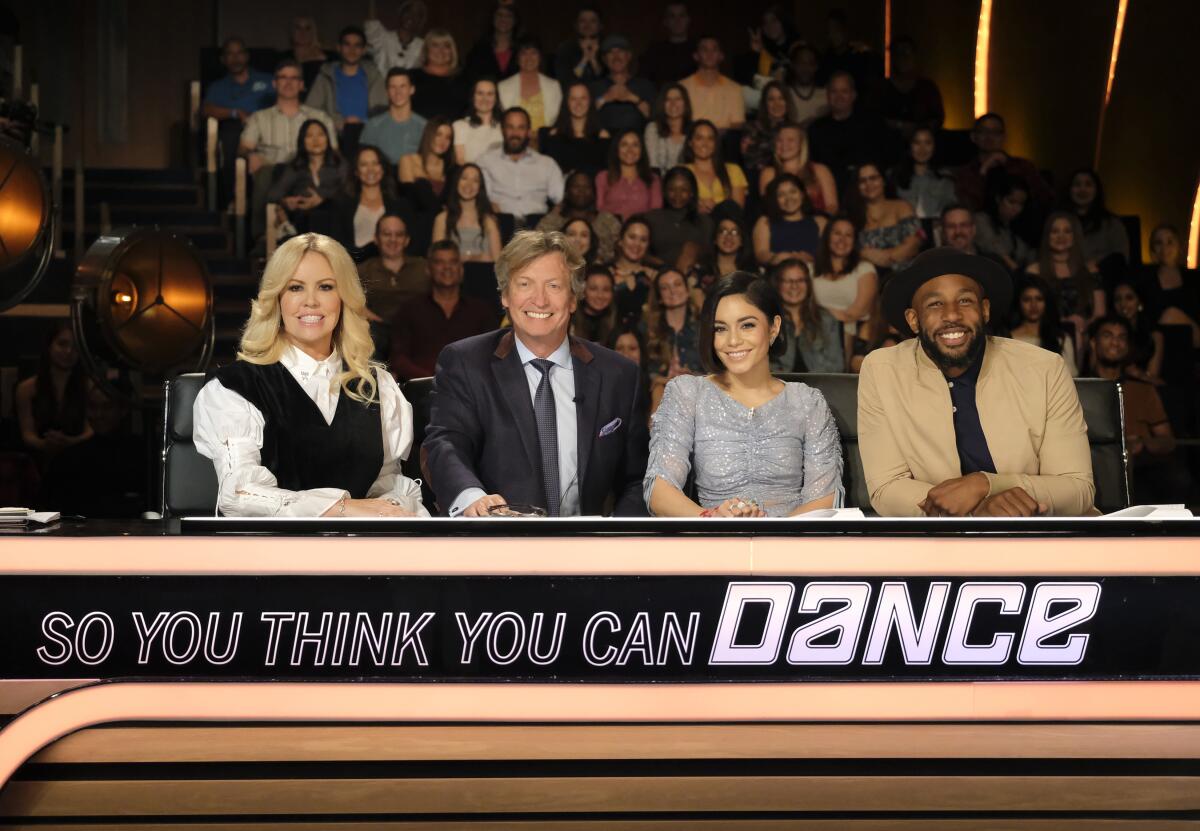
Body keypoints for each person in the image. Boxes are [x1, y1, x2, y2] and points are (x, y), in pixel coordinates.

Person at [194, 233, 428, 517]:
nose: (311, 301)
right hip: (274, 552)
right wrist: (343, 508)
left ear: (344, 297)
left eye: (326, 287)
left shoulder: (378, 386)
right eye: (295, 288)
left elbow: (386, 484)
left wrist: (394, 508)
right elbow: (240, 495)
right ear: (276, 297)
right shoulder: (234, 388)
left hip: (362, 551)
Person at [424, 230, 650, 516]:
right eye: (525, 284)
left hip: (588, 549)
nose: (539, 300)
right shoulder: (465, 363)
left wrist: (614, 541)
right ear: (505, 295)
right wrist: (472, 499)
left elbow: (637, 478)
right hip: (497, 545)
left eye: (554, 286)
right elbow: (446, 444)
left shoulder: (619, 374)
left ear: (573, 299)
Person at [858, 246, 1096, 517]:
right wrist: (976, 510)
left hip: (1037, 538)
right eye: (935, 304)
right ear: (913, 319)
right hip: (938, 545)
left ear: (984, 310)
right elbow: (887, 488)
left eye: (965, 301)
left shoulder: (1044, 368)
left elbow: (1077, 489)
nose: (952, 315)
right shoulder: (882, 371)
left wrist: (985, 484)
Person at [644, 271, 843, 516]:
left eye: (747, 325)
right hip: (715, 542)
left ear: (773, 328)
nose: (733, 340)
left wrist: (775, 533)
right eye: (720, 329)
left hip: (791, 543)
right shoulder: (687, 393)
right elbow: (659, 489)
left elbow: (825, 497)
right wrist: (711, 520)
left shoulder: (807, 401)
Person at [1088, 315, 1191, 504]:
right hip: (1093, 466)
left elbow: (1167, 440)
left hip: (1142, 468)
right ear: (1093, 343)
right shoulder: (1080, 387)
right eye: (1108, 335)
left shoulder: (1143, 389)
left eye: (1121, 337)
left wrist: (1143, 442)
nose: (1115, 342)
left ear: (1127, 346)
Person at [239, 59, 337, 236]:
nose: (289, 82)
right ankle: (262, 239)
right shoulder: (259, 118)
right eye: (283, 78)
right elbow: (243, 148)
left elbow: (334, 153)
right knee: (267, 174)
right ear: (275, 84)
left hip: (310, 174)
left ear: (301, 84)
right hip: (273, 175)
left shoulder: (319, 117)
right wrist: (250, 154)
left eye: (294, 78)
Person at [388, 240, 497, 380]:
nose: (447, 267)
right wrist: (429, 379)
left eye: (453, 262)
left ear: (461, 269)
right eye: (439, 262)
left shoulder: (481, 311)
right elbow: (398, 358)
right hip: (422, 390)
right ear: (428, 269)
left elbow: (493, 354)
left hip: (471, 389)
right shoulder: (409, 310)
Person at [40, 381, 144, 519]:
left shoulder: (141, 453)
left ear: (123, 410)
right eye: (93, 407)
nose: (98, 414)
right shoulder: (69, 458)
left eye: (107, 407)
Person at [203, 37, 274, 203]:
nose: (236, 58)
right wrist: (235, 113)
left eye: (239, 53)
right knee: (231, 135)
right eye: (230, 54)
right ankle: (233, 200)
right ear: (223, 59)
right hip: (235, 133)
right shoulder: (218, 87)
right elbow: (206, 110)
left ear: (247, 56)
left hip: (268, 129)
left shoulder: (267, 80)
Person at [806, 70, 895, 197]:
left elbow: (884, 160)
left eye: (844, 91)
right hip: (829, 193)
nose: (839, 96)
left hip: (867, 192)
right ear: (827, 95)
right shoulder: (816, 129)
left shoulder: (872, 124)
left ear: (854, 95)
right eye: (834, 92)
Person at [1026, 211, 1104, 351]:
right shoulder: (1034, 271)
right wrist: (1065, 323)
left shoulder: (1090, 270)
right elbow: (1028, 310)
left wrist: (1083, 324)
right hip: (1046, 335)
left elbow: (1099, 314)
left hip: (1084, 334)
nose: (1061, 236)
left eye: (1067, 231)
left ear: (1075, 236)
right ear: (1047, 236)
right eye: (1055, 231)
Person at [16, 323, 92, 464]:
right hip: (37, 461)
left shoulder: (89, 387)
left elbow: (90, 430)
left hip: (80, 458)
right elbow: (27, 433)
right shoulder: (26, 389)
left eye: (75, 347)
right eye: (62, 344)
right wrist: (45, 444)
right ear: (49, 346)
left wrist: (70, 442)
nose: (68, 351)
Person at [477, 107, 565, 227]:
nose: (515, 133)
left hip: (538, 226)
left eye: (521, 127)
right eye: (510, 127)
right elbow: (479, 198)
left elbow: (561, 199)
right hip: (499, 225)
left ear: (529, 131)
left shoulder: (547, 164)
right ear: (502, 130)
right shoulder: (486, 161)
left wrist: (550, 221)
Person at [953, 112, 1053, 216]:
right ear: (973, 137)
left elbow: (1046, 199)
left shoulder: (1023, 167)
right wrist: (983, 171)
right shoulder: (964, 172)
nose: (989, 137)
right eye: (983, 131)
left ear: (1003, 137)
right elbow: (967, 207)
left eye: (996, 132)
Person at [358, 213, 429, 352]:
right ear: (376, 239)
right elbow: (351, 301)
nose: (393, 239)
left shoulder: (425, 267)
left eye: (399, 234)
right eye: (386, 234)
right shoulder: (363, 270)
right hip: (377, 333)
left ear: (407, 240)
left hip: (420, 331)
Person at [330, 144, 416, 258]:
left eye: (375, 163)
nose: (370, 169)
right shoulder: (343, 205)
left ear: (383, 168)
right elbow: (337, 245)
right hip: (356, 265)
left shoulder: (400, 205)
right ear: (356, 171)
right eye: (364, 164)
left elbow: (410, 242)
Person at [305, 26, 386, 146]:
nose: (352, 50)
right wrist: (337, 123)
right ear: (339, 48)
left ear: (364, 50)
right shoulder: (325, 75)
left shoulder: (374, 75)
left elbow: (383, 111)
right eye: (347, 44)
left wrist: (363, 123)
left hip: (369, 137)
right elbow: (310, 109)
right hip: (334, 138)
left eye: (357, 45)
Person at [266, 119, 348, 237]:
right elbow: (272, 195)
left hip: (334, 218)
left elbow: (349, 192)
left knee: (324, 213)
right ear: (302, 141)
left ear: (327, 139)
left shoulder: (339, 163)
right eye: (309, 136)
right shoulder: (296, 166)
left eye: (320, 134)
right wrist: (285, 201)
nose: (316, 140)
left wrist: (322, 199)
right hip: (304, 222)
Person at [812, 216, 878, 361]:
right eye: (837, 233)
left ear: (854, 241)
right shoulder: (810, 269)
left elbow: (855, 313)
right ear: (827, 236)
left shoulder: (864, 269)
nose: (842, 239)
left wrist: (821, 312)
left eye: (848, 235)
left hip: (852, 333)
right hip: (814, 331)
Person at [643, 268, 705, 403]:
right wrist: (661, 381)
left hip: (698, 396)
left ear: (688, 290)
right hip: (657, 397)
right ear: (659, 297)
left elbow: (716, 373)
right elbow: (639, 372)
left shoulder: (704, 328)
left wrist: (693, 377)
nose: (672, 292)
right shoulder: (647, 329)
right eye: (665, 288)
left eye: (677, 284)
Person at [770, 258, 844, 373]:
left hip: (819, 388)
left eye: (800, 280)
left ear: (808, 284)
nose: (794, 286)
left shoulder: (826, 320)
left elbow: (837, 366)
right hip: (777, 387)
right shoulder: (767, 321)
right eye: (788, 281)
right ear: (778, 284)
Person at [846, 162, 921, 271]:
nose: (868, 184)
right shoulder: (851, 216)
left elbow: (914, 244)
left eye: (873, 178)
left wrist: (887, 257)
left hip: (904, 273)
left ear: (883, 180)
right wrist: (863, 255)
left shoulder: (902, 207)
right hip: (867, 276)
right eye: (863, 181)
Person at [536, 169, 621, 261]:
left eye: (587, 187)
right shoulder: (549, 223)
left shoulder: (608, 222)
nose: (581, 191)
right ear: (567, 192)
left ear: (594, 192)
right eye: (576, 186)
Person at [1006, 274, 1079, 377]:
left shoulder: (1061, 339)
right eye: (1027, 299)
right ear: (1018, 303)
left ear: (1047, 302)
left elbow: (1071, 378)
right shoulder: (1008, 339)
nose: (1033, 305)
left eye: (1039, 299)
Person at [644, 165, 713, 273]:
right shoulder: (652, 218)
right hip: (657, 273)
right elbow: (642, 254)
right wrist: (666, 268)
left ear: (692, 193)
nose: (677, 195)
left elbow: (709, 256)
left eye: (684, 190)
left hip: (694, 277)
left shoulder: (704, 222)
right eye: (672, 190)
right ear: (664, 192)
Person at [758, 124, 838, 216]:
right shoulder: (768, 173)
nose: (784, 144)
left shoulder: (820, 170)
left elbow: (832, 206)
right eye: (779, 140)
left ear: (802, 144)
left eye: (790, 140)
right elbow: (768, 208)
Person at [1066, 167, 1129, 280]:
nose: (1082, 189)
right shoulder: (1059, 222)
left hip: (1101, 281)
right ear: (1070, 190)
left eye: (1088, 184)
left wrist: (1096, 264)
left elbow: (1121, 258)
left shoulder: (1112, 224)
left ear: (1097, 190)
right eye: (1077, 184)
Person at [752, 173, 827, 267]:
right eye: (781, 195)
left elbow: (829, 254)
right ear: (775, 199)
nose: (788, 198)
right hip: (777, 274)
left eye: (793, 192)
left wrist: (811, 258)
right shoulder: (765, 222)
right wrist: (777, 258)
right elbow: (760, 253)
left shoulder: (820, 222)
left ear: (802, 194)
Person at [537, 81, 610, 176]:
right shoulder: (553, 136)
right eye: (573, 99)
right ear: (566, 103)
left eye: (583, 98)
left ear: (590, 101)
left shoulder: (603, 137)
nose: (578, 103)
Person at [432, 163, 502, 262]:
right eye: (464, 178)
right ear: (456, 182)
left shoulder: (489, 221)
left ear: (480, 187)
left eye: (475, 180)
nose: (469, 184)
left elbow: (498, 263)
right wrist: (474, 257)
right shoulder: (442, 219)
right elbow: (437, 260)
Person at [590, 35, 656, 134]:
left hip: (636, 144)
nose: (616, 57)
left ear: (628, 56)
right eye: (610, 52)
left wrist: (631, 97)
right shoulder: (595, 87)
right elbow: (584, 115)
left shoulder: (644, 85)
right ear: (604, 59)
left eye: (620, 51)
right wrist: (605, 98)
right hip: (603, 143)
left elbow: (656, 118)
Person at [359, 68, 427, 164]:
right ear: (387, 92)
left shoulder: (424, 126)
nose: (398, 92)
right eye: (393, 87)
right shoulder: (373, 125)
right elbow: (364, 161)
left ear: (412, 89)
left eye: (402, 86)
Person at [880, 37, 944, 138]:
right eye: (898, 53)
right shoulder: (881, 88)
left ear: (915, 57)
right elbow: (873, 118)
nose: (903, 58)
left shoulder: (928, 88)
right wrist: (898, 125)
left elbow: (937, 119)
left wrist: (917, 128)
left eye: (907, 53)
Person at [498, 39, 562, 141]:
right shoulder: (503, 86)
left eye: (533, 53)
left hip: (546, 142)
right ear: (517, 58)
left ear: (540, 57)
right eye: (524, 53)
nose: (529, 58)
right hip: (514, 142)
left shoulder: (554, 86)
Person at [679, 36, 745, 130]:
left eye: (714, 50)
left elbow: (737, 126)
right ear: (696, 56)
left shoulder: (735, 89)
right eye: (704, 49)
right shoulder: (682, 87)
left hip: (724, 143)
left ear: (721, 56)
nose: (709, 54)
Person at [682, 119, 747, 213]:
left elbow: (738, 209)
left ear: (716, 143)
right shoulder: (682, 172)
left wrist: (716, 208)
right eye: (699, 138)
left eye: (710, 138)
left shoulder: (733, 170)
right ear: (690, 143)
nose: (705, 144)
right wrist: (694, 207)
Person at [892, 126, 955, 222]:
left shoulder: (944, 178)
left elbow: (951, 211)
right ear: (909, 145)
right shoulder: (895, 176)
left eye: (928, 143)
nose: (922, 149)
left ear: (934, 146)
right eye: (917, 143)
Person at [595, 129, 662, 219]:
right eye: (624, 145)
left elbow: (655, 213)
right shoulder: (603, 177)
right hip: (609, 230)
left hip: (642, 230)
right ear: (616, 149)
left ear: (642, 150)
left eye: (635, 145)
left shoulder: (653, 179)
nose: (630, 150)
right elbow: (600, 210)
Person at [973, 172, 1032, 271]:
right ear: (998, 198)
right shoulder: (981, 219)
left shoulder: (1019, 226)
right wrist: (1015, 269)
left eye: (1021, 204)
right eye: (1011, 202)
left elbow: (1027, 255)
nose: (1016, 208)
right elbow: (992, 245)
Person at [410, 29, 470, 121]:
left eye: (446, 46)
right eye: (435, 45)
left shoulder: (464, 79)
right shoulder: (411, 77)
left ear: (452, 51)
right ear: (426, 49)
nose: (441, 51)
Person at [1111, 279, 1164, 382]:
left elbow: (1154, 378)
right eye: (1118, 299)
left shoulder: (1154, 336)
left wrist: (1138, 374)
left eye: (1129, 298)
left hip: (1142, 389)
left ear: (1140, 302)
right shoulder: (1108, 333)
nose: (1123, 304)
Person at [739, 80, 793, 178]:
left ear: (787, 102)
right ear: (765, 103)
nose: (777, 104)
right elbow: (751, 163)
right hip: (758, 179)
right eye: (771, 99)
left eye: (781, 98)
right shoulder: (752, 128)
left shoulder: (795, 130)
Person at [612, 215, 659, 324]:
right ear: (620, 240)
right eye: (632, 237)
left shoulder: (656, 276)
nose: (637, 244)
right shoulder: (605, 273)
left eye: (643, 240)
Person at [398, 115, 456, 198]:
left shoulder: (450, 168)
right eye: (438, 134)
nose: (443, 141)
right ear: (429, 134)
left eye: (448, 138)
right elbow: (409, 199)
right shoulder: (408, 161)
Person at [640, 2, 696, 84]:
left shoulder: (700, 50)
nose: (678, 21)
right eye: (672, 16)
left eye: (682, 15)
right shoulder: (654, 52)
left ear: (688, 20)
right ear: (665, 21)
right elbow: (643, 82)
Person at [463, 4, 521, 83]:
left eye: (509, 16)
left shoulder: (522, 48)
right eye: (499, 15)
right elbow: (470, 78)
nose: (503, 19)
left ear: (515, 20)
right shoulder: (479, 48)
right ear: (492, 19)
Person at [366, 0, 428, 73]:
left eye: (417, 15)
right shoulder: (383, 38)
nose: (411, 17)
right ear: (401, 14)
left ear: (420, 21)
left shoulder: (423, 46)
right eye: (408, 12)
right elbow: (372, 24)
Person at [453, 78, 503, 164]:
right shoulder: (460, 126)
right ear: (473, 97)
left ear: (496, 98)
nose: (484, 99)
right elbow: (460, 161)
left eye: (490, 94)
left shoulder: (505, 127)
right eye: (480, 93)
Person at [282, 17, 335, 97]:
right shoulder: (284, 58)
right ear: (292, 32)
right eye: (298, 28)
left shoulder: (327, 57)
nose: (302, 32)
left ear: (313, 32)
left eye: (307, 28)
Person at [644, 83, 692, 173]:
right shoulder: (653, 129)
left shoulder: (694, 130)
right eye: (668, 99)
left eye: (678, 99)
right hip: (659, 182)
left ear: (686, 103)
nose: (673, 103)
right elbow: (653, 166)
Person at [554, 6, 605, 88]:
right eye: (583, 21)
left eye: (593, 21)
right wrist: (584, 59)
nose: (587, 25)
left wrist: (593, 60)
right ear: (576, 25)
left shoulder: (607, 47)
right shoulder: (565, 49)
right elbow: (565, 80)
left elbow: (607, 80)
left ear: (600, 26)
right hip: (574, 98)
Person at [784, 42, 827, 128]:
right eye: (800, 63)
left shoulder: (828, 96)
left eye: (810, 63)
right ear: (793, 65)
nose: (805, 68)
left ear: (816, 66)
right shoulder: (783, 95)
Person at [573, 264, 619, 344]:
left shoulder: (617, 321)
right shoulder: (570, 321)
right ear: (583, 290)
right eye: (593, 289)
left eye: (606, 290)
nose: (600, 295)